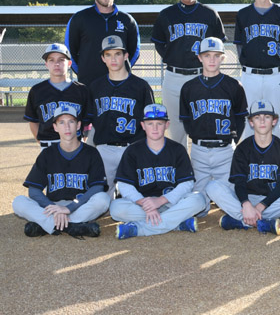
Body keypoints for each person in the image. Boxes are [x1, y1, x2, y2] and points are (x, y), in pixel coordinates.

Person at [206, 100, 280, 235]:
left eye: (267, 117)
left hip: (271, 202)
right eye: (257, 117)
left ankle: (241, 221)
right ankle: (263, 222)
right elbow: (239, 183)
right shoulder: (242, 148)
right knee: (212, 186)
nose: (262, 121)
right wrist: (246, 205)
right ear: (251, 123)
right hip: (246, 199)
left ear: (274, 121)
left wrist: (259, 207)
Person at [151, 0, 226, 147]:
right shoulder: (166, 14)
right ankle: (181, 169)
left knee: (203, 122)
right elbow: (159, 43)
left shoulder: (209, 14)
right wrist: (173, 57)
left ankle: (203, 168)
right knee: (176, 129)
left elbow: (219, 44)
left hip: (201, 76)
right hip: (173, 76)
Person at [110, 104, 208, 239]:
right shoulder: (133, 150)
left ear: (167, 125)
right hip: (143, 205)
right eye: (150, 123)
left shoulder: (177, 149)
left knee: (199, 199)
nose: (155, 128)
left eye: (159, 123)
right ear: (143, 125)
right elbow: (124, 185)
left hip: (171, 203)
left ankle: (139, 229)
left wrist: (160, 201)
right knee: (116, 208)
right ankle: (176, 223)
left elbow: (187, 184)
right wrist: (146, 204)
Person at [12, 107, 110, 237]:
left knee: (103, 199)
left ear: (78, 125)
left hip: (79, 206)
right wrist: (55, 209)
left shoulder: (91, 153)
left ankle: (47, 225)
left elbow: (97, 187)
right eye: (61, 122)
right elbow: (33, 190)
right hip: (52, 206)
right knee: (18, 202)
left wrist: (69, 208)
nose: (67, 127)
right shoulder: (47, 154)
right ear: (55, 127)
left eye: (71, 121)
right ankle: (71, 226)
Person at [179, 37, 248, 197]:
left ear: (223, 58)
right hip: (198, 150)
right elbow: (187, 121)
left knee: (231, 196)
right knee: (196, 198)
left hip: (225, 150)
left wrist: (232, 141)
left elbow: (240, 119)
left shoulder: (233, 86)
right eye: (207, 55)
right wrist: (197, 139)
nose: (212, 59)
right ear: (199, 57)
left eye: (216, 55)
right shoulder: (189, 87)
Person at [88, 35, 155, 199]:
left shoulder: (141, 87)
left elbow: (152, 123)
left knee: (139, 197)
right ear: (103, 58)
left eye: (117, 54)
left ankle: (122, 193)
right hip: (104, 149)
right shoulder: (95, 87)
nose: (113, 59)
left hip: (133, 148)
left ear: (126, 56)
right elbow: (90, 123)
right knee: (98, 199)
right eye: (108, 54)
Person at [234, 0, 280, 139]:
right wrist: (247, 63)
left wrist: (278, 64)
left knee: (277, 118)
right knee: (248, 117)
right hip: (250, 75)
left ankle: (278, 157)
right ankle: (249, 159)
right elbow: (239, 46)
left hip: (274, 76)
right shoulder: (243, 14)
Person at [65, 0, 140, 86]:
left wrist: (120, 71)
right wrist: (82, 72)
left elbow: (134, 52)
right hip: (88, 84)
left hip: (120, 84)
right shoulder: (79, 18)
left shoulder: (127, 20)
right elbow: (69, 50)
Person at [24, 43, 91, 150]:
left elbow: (87, 120)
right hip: (48, 144)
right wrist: (40, 141)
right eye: (51, 60)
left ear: (69, 63)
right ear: (46, 64)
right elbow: (33, 120)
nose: (56, 64)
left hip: (75, 143)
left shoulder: (81, 90)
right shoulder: (37, 91)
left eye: (61, 60)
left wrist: (84, 138)